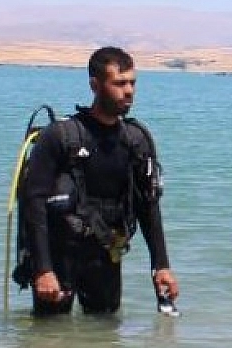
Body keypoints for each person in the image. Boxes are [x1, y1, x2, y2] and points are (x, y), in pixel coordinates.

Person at [17, 47, 179, 317]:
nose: (128, 91)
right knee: (48, 341)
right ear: (95, 85)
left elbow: (148, 205)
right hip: (59, 256)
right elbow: (33, 203)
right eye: (119, 83)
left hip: (105, 255)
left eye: (132, 83)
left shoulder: (135, 140)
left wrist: (161, 265)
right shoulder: (60, 137)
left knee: (106, 339)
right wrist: (43, 269)